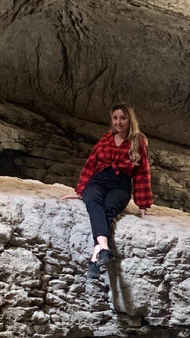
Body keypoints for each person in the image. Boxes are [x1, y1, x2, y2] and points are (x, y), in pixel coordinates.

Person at [64, 103, 153, 277]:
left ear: (130, 120)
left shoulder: (138, 141)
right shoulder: (105, 139)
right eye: (115, 118)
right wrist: (80, 190)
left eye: (122, 118)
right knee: (92, 199)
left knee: (109, 208)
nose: (118, 122)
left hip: (120, 184)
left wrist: (143, 204)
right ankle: (103, 250)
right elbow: (91, 164)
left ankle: (95, 257)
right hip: (99, 180)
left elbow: (142, 172)